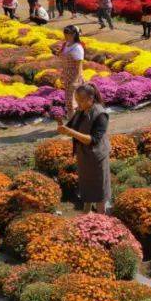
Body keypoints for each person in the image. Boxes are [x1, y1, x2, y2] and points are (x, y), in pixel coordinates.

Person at [57, 83, 110, 213]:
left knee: (99, 191)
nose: (78, 103)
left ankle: (102, 220)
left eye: (81, 100)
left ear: (91, 99)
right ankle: (86, 213)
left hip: (97, 157)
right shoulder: (81, 111)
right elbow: (70, 127)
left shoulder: (100, 114)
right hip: (84, 156)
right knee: (86, 186)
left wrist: (70, 132)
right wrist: (61, 126)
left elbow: (93, 140)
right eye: (77, 100)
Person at [58, 25, 85, 116]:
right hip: (67, 75)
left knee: (72, 101)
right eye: (64, 34)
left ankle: (75, 123)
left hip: (74, 76)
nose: (65, 36)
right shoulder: (66, 44)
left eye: (67, 34)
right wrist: (62, 74)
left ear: (74, 34)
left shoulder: (77, 47)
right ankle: (73, 123)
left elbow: (79, 66)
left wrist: (76, 81)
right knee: (69, 101)